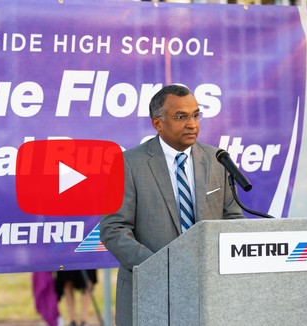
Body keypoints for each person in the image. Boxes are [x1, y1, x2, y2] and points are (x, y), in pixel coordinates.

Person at [100, 84, 244, 326]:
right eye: (181, 117)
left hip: (207, 292)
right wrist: (160, 267)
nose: (192, 124)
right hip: (149, 290)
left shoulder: (217, 160)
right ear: (157, 123)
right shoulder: (128, 164)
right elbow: (113, 230)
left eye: (196, 115)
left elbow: (233, 220)